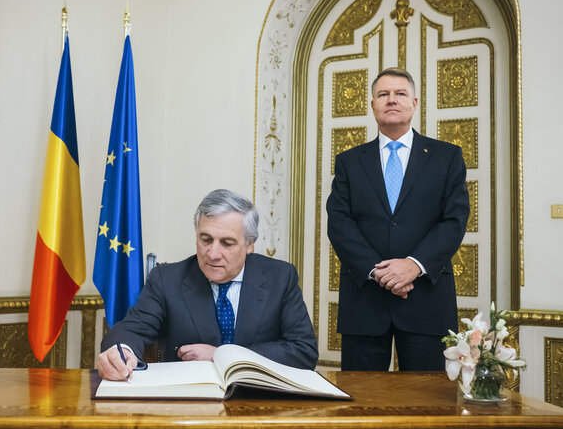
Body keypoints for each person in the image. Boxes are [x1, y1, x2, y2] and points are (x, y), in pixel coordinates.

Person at [326, 67, 469, 372]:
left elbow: (454, 221)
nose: (391, 100)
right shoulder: (349, 161)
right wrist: (379, 272)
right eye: (383, 94)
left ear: (414, 103)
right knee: (362, 405)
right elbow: (339, 222)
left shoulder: (447, 156)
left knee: (426, 407)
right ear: (373, 104)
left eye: (400, 93)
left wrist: (412, 265)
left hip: (426, 301)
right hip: (364, 301)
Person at [97, 188, 318, 380]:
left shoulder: (280, 277)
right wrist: (120, 352)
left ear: (250, 244)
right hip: (190, 404)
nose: (212, 253)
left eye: (227, 243)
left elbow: (303, 350)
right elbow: (130, 329)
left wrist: (222, 355)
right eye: (206, 240)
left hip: (260, 403)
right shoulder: (166, 279)